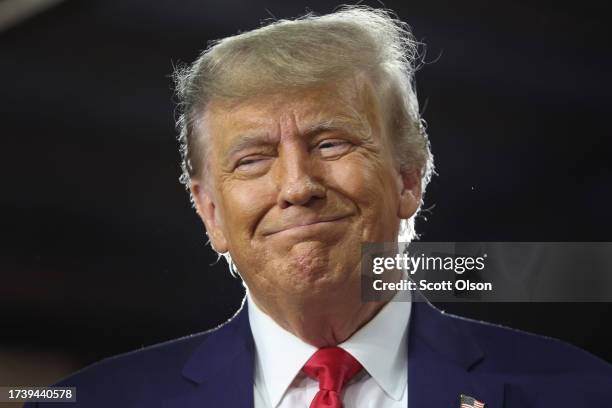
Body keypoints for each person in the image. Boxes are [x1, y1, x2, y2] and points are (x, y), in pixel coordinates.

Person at [26, 6, 612, 408]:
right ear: (209, 212)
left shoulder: (582, 391)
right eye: (253, 159)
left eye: (330, 143)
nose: (297, 185)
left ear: (408, 177)